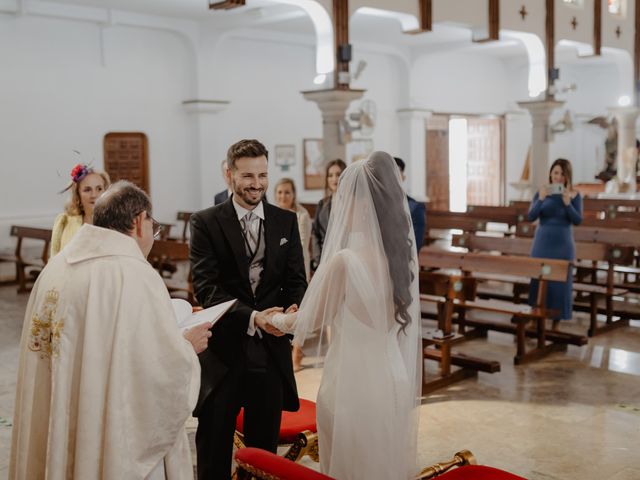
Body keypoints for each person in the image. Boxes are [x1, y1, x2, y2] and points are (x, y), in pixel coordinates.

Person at [10, 180, 212, 480]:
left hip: (62, 412)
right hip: (109, 438)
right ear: (138, 221)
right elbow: (152, 372)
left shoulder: (57, 266)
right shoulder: (132, 272)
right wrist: (185, 347)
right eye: (152, 226)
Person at [270, 151, 422, 480]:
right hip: (391, 377)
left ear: (364, 205)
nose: (338, 207)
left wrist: (272, 319)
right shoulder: (399, 257)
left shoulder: (345, 261)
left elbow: (308, 321)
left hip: (352, 385)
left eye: (344, 199)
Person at [189, 139, 307, 479]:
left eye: (262, 174)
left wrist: (291, 313)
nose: (256, 183)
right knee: (213, 449)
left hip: (270, 354)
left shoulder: (286, 221)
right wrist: (255, 318)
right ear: (229, 174)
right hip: (223, 352)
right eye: (247, 175)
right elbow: (208, 289)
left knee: (263, 456)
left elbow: (296, 280)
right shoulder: (205, 222)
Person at [528, 158, 583, 326]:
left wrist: (568, 204)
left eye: (562, 174)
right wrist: (541, 199)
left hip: (562, 245)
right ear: (551, 174)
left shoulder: (574, 195)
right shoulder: (542, 192)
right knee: (538, 279)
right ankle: (535, 317)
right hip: (542, 242)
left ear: (567, 177)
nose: (558, 177)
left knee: (559, 284)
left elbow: (577, 220)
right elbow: (531, 216)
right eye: (556, 173)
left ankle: (556, 322)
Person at [274, 177, 312, 372]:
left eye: (287, 192)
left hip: (297, 268)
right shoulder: (272, 214)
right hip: (277, 269)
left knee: (297, 308)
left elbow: (301, 246)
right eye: (280, 192)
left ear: (294, 194)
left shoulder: (301, 215)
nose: (283, 196)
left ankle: (297, 351)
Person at [50, 163, 110, 256]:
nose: (94, 195)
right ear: (78, 196)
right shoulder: (64, 222)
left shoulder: (115, 223)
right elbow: (54, 260)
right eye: (87, 190)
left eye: (99, 189)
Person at [311, 159, 346, 270]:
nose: (334, 179)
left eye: (338, 174)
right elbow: (315, 233)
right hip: (324, 259)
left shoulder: (352, 203)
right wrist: (319, 259)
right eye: (330, 175)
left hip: (345, 259)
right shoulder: (322, 204)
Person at [394, 157, 426, 251]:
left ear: (403, 177)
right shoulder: (376, 204)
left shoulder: (415, 208)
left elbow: (415, 246)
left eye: (397, 171)